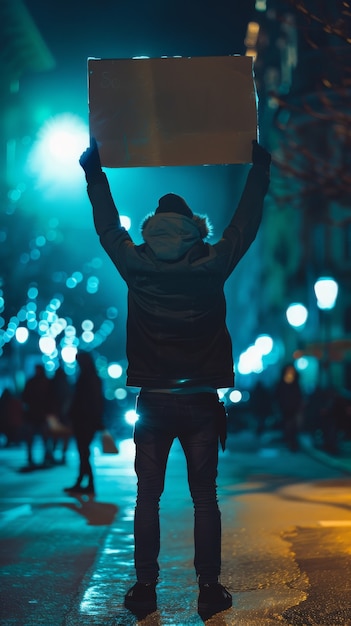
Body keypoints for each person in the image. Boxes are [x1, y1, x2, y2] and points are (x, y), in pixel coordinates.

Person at [79, 136, 271, 619]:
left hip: (154, 400)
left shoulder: (137, 263)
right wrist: (260, 170)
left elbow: (106, 227)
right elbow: (244, 224)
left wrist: (95, 174)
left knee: (148, 498)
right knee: (205, 499)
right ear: (194, 229)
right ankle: (209, 588)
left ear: (152, 228)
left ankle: (145, 588)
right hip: (202, 399)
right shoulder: (212, 262)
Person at [63, 352, 104, 495]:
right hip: (87, 421)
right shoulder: (92, 378)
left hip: (84, 421)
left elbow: (88, 402)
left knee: (84, 452)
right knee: (84, 452)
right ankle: (85, 482)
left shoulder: (86, 378)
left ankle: (86, 482)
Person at [21, 364, 53, 467]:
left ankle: (40, 457)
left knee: (38, 438)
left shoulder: (33, 382)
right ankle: (44, 457)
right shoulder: (46, 382)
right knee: (43, 438)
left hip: (36, 414)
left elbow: (25, 397)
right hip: (39, 414)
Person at [275, 363, 304, 452]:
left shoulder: (296, 383)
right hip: (285, 409)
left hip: (295, 409)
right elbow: (277, 396)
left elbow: (299, 395)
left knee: (294, 426)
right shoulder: (281, 384)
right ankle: (290, 442)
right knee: (288, 426)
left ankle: (293, 442)